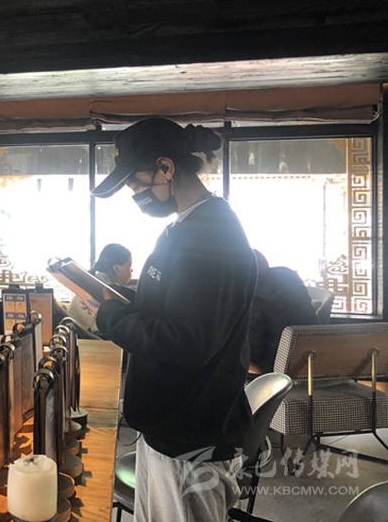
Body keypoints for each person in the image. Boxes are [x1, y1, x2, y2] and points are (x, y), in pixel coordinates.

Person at [91, 117, 256, 522]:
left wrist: (110, 317)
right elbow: (167, 306)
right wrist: (114, 302)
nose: (134, 194)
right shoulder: (183, 228)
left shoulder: (212, 237)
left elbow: (185, 341)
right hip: (166, 425)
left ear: (166, 167)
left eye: (135, 183)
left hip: (191, 437)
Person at [249, 249, 318, 373]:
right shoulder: (289, 280)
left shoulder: (254, 294)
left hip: (272, 368)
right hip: (310, 361)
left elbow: (251, 350)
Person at [66, 243, 133, 332]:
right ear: (116, 268)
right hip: (86, 335)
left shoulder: (94, 281)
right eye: (129, 266)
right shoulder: (105, 289)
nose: (132, 270)